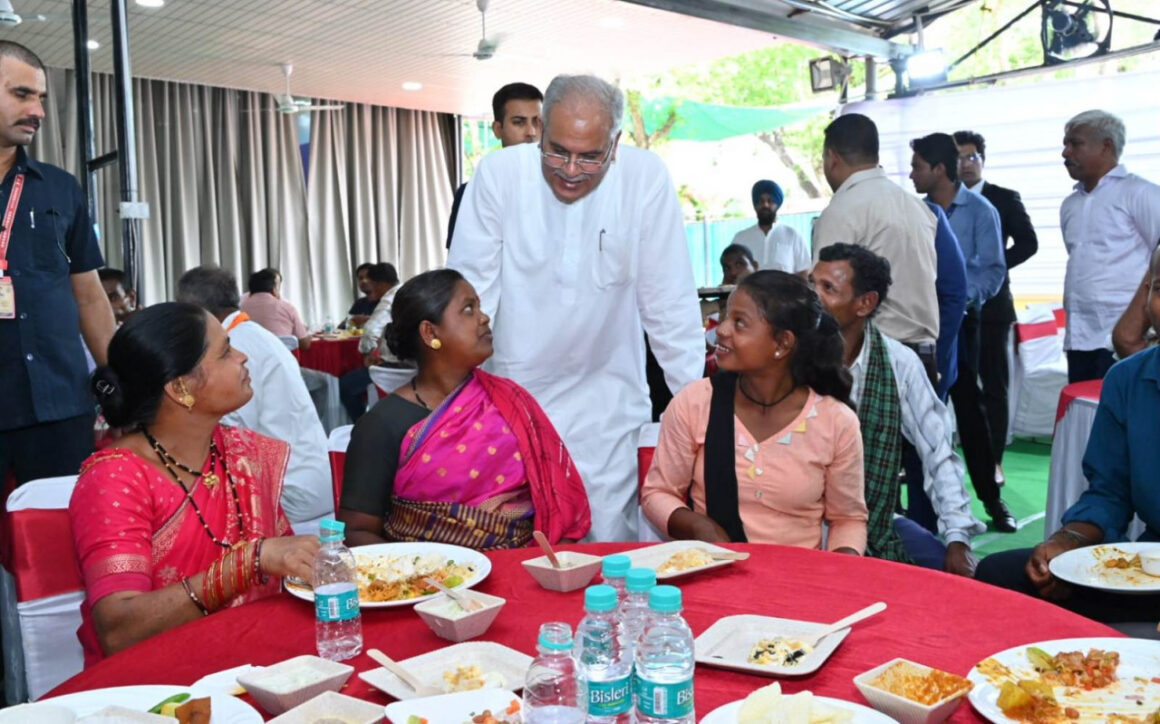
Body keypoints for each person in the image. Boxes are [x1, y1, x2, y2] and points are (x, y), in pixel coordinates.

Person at [447, 74, 704, 541]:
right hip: (513, 403)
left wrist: (695, 414)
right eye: (557, 151)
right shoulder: (500, 175)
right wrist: (454, 402)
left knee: (608, 546)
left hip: (608, 408)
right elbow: (469, 296)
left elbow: (669, 302)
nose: (569, 170)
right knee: (520, 549)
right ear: (540, 130)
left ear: (616, 144)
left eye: (590, 157)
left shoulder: (644, 178)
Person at [70, 302, 320, 663]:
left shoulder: (241, 453)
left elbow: (285, 564)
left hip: (255, 659)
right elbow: (119, 630)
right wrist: (247, 563)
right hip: (157, 682)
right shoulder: (115, 478)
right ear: (180, 387)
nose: (243, 357)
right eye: (225, 352)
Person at [337, 269, 591, 549]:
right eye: (468, 309)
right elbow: (356, 531)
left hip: (526, 565)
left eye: (479, 307)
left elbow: (559, 500)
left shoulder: (510, 400)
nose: (484, 318)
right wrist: (428, 571)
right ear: (430, 332)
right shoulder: (383, 424)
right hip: (431, 574)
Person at [974, 244, 1160, 622]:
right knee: (999, 575)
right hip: (1148, 574)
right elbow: (1109, 494)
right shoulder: (1128, 380)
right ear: (1146, 295)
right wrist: (1066, 542)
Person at [640, 271, 866, 552]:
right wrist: (698, 527)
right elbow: (657, 493)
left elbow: (847, 519)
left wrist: (843, 565)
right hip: (717, 569)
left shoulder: (836, 421)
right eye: (726, 317)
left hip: (796, 575)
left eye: (739, 323)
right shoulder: (696, 403)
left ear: (782, 344)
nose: (721, 330)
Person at [812, 244, 984, 575]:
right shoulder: (787, 356)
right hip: (794, 526)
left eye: (828, 288)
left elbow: (938, 453)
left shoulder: (898, 364)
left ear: (865, 303)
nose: (813, 297)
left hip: (872, 521)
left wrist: (958, 538)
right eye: (812, 284)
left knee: (951, 575)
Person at [0, 41, 116, 486]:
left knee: (63, 522)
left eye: (41, 98)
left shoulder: (61, 189)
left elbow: (89, 296)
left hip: (58, 406)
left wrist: (120, 381)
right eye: (22, 94)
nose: (38, 111)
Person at [176, 265, 334, 535]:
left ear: (195, 310)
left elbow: (229, 435)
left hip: (289, 492)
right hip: (312, 480)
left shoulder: (231, 348)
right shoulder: (254, 335)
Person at [910, 133, 1014, 533]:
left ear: (938, 169)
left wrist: (963, 297)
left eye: (917, 166)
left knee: (970, 411)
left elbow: (993, 269)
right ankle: (921, 511)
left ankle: (991, 499)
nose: (912, 175)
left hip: (964, 321)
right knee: (919, 412)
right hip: (922, 322)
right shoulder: (916, 212)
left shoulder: (981, 210)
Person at [812, 114, 940, 384]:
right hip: (923, 357)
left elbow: (825, 299)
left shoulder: (842, 210)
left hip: (875, 359)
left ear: (832, 157)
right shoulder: (917, 206)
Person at [954, 130, 1039, 482]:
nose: (966, 164)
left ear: (983, 160)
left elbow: (1029, 243)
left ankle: (994, 461)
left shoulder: (1002, 198)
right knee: (955, 383)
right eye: (959, 158)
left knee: (993, 385)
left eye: (972, 157)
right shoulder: (940, 203)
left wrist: (993, 267)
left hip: (992, 306)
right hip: (950, 308)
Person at [1060, 110, 1160, 383]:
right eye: (1065, 144)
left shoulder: (1141, 193)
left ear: (1106, 146)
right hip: (1079, 336)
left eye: (1075, 143)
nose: (1065, 153)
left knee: (1125, 407)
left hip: (1124, 338)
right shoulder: (1070, 204)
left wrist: (1137, 331)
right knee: (1085, 408)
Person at [447, 82, 543, 248]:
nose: (531, 132)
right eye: (519, 122)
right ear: (498, 129)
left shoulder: (563, 189)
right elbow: (461, 259)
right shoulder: (471, 193)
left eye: (537, 122)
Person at [340, 262, 403, 421]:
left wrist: (367, 353)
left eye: (372, 284)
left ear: (380, 284)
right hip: (414, 363)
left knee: (345, 385)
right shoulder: (407, 293)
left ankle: (362, 423)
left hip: (393, 366)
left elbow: (370, 331)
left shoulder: (389, 299)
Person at [729, 180, 810, 276]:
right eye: (761, 201)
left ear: (777, 205)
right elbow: (731, 273)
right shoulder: (740, 238)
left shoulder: (793, 236)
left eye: (770, 201)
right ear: (755, 205)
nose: (765, 205)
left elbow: (804, 272)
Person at [240, 267, 313, 351]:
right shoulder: (287, 307)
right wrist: (308, 335)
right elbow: (305, 344)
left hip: (250, 357)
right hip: (281, 357)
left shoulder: (240, 307)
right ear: (273, 290)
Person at [344, 262, 378, 327]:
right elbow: (344, 325)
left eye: (368, 277)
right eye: (360, 278)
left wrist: (366, 319)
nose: (364, 281)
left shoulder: (387, 301)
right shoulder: (359, 303)